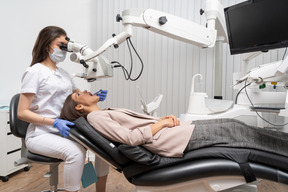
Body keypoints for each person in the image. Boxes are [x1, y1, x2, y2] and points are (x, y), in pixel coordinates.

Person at [60, 90, 288, 159]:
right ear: (79, 107)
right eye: (80, 93)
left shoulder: (103, 113)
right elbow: (129, 139)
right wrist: (164, 125)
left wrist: (161, 120)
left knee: (237, 126)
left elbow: (133, 128)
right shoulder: (96, 118)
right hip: (174, 139)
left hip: (176, 133)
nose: (87, 90)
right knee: (239, 130)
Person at [18, 26, 108, 192]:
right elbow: (22, 112)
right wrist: (54, 122)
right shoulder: (34, 72)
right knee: (76, 153)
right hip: (41, 134)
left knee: (102, 145)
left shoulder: (64, 74)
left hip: (64, 131)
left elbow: (79, 95)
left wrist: (93, 96)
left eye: (67, 45)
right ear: (47, 46)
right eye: (61, 45)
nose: (65, 50)